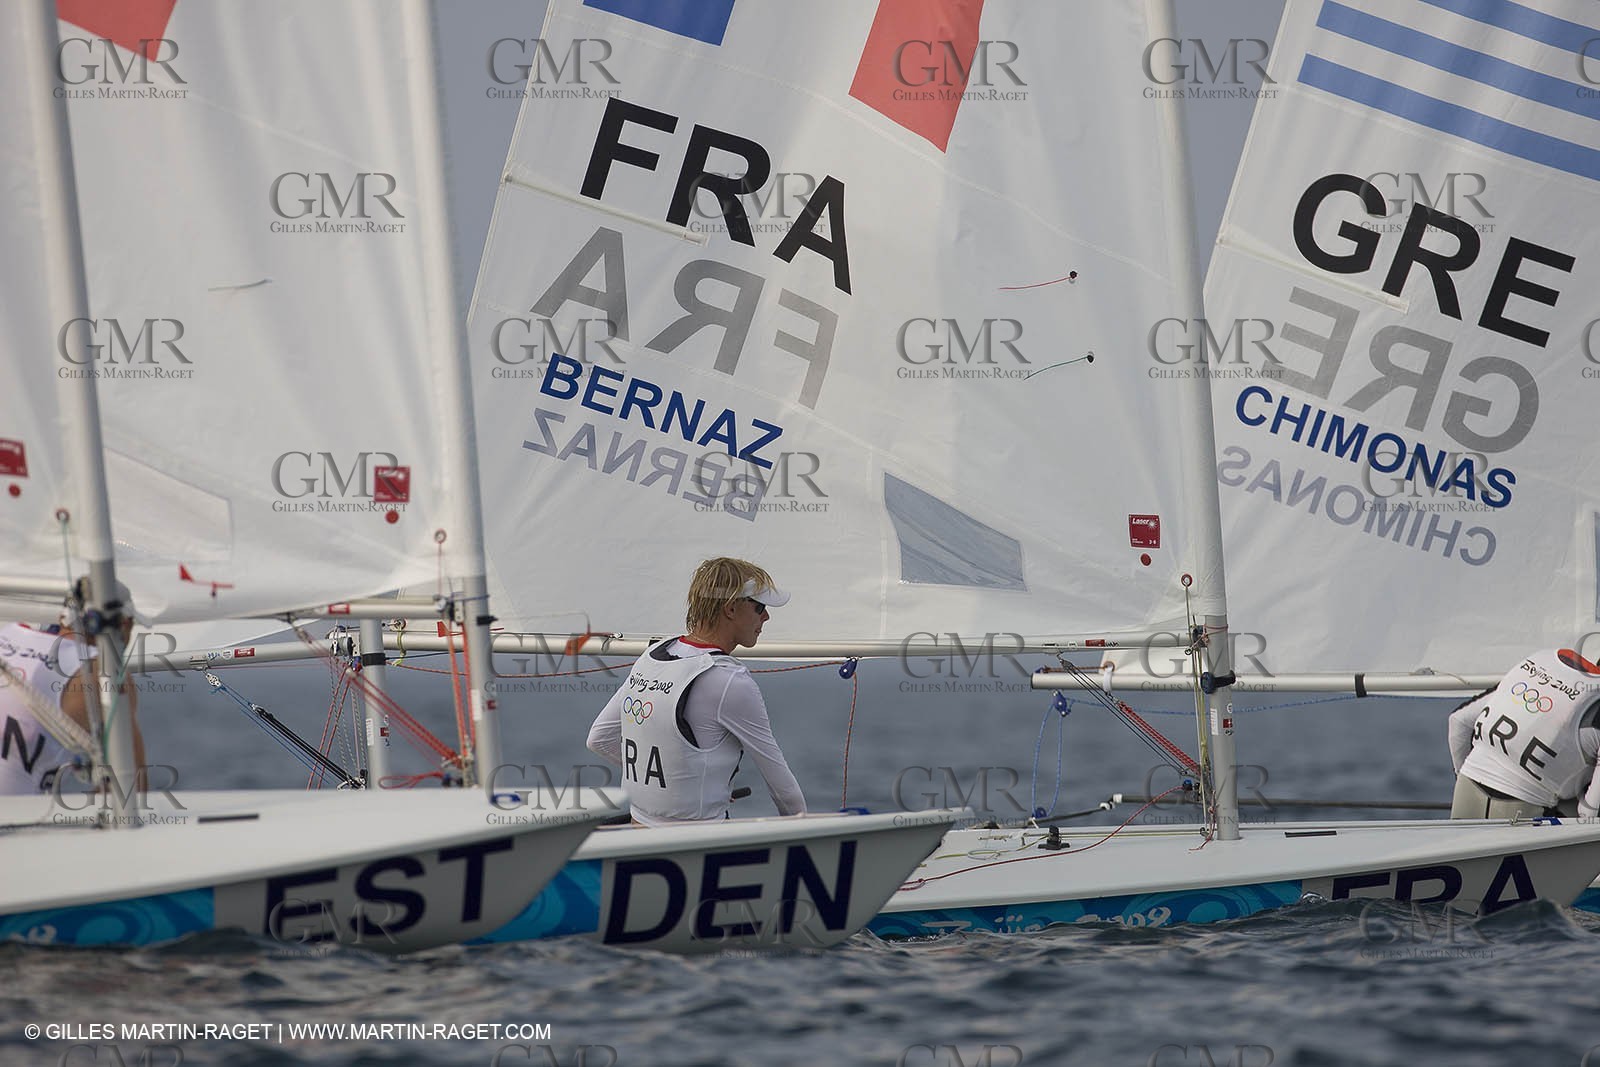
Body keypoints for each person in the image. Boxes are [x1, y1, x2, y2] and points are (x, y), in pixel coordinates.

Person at [587, 557, 806, 826]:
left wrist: (679, 785)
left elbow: (598, 739)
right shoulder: (728, 680)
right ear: (731, 609)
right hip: (698, 844)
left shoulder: (652, 656)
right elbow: (782, 789)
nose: (766, 616)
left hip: (635, 835)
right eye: (759, 607)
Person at [0, 582, 148, 795]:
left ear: (62, 617)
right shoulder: (101, 673)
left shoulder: (7, 634)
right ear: (124, 625)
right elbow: (132, 785)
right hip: (14, 819)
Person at [1447, 647, 1600, 820]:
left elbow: (1458, 720)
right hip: (1525, 810)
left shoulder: (1543, 661)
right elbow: (1589, 813)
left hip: (1467, 786)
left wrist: (1463, 774)